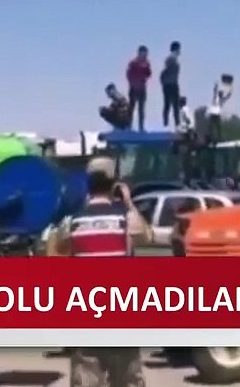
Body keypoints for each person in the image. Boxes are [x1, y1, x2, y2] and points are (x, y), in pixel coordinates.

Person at [46, 157, 150, 387]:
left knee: (87, 377)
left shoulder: (73, 221)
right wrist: (128, 202)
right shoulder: (124, 217)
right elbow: (146, 235)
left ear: (88, 183)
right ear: (114, 184)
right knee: (127, 379)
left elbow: (54, 254)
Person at [125, 46, 151, 131]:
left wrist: (146, 69)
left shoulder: (146, 63)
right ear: (139, 53)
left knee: (141, 108)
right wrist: (133, 83)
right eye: (143, 53)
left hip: (142, 88)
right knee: (131, 107)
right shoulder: (133, 63)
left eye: (146, 53)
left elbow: (149, 74)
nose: (145, 55)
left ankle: (141, 127)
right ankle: (129, 126)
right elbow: (128, 74)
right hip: (133, 88)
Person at [159, 41, 182, 129]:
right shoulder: (171, 58)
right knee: (169, 105)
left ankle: (175, 124)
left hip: (173, 84)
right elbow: (165, 71)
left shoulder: (174, 59)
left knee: (173, 105)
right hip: (169, 85)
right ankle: (169, 124)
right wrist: (164, 81)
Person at [207, 74, 234, 143]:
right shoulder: (216, 97)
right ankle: (211, 137)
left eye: (221, 94)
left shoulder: (222, 100)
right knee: (211, 126)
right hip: (212, 113)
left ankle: (219, 137)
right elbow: (215, 92)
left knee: (218, 126)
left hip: (217, 113)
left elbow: (227, 96)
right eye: (220, 93)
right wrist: (216, 86)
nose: (221, 94)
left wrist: (230, 91)